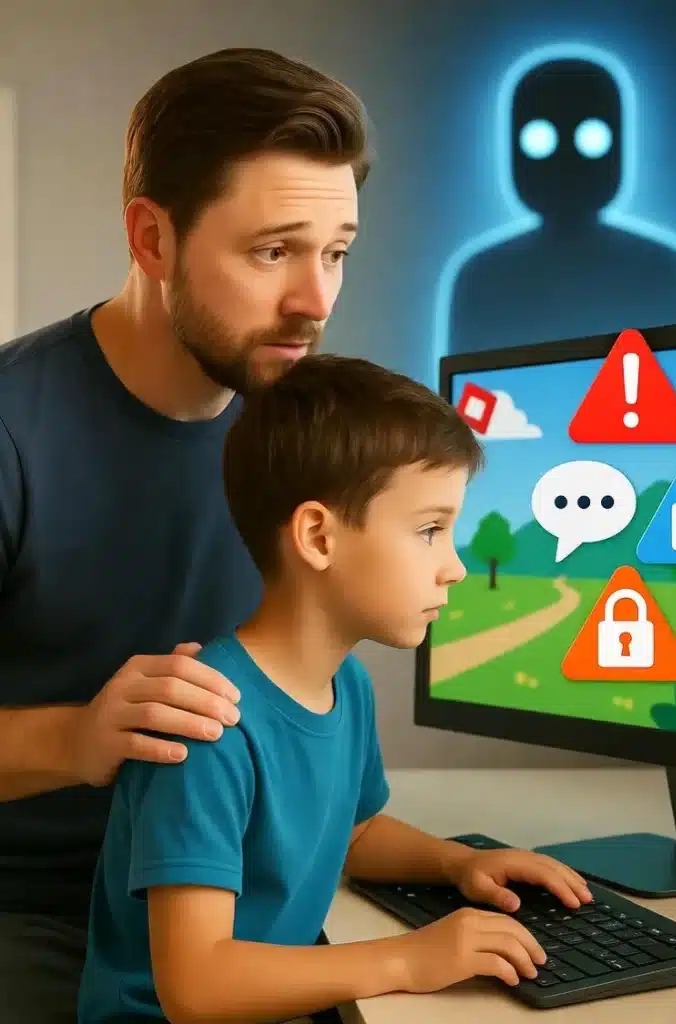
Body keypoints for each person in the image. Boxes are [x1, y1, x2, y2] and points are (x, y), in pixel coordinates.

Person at [0, 47, 369, 1023]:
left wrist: (459, 862)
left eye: (336, 251)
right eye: (272, 250)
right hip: (36, 916)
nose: (317, 300)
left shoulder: (301, 435)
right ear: (151, 237)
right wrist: (77, 736)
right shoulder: (10, 432)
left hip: (244, 902)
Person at [77, 354, 594, 1023]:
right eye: (429, 530)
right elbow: (196, 986)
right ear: (318, 536)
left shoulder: (344, 683)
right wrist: (409, 958)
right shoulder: (205, 725)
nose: (456, 568)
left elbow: (353, 833)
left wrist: (457, 863)